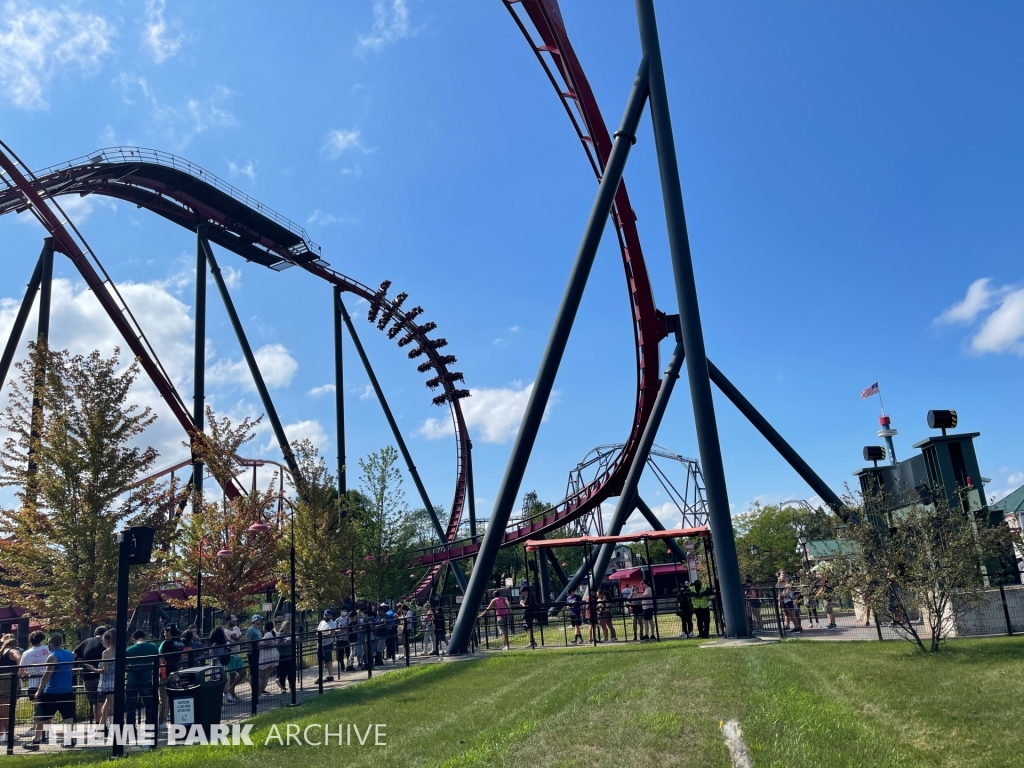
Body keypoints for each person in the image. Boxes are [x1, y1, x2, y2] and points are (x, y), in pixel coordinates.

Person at [28, 634, 75, 751]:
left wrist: (39, 691)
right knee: (68, 716)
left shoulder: (52, 656)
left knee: (41, 716)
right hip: (67, 690)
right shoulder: (69, 654)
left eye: (48, 643)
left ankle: (36, 741)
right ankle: (69, 739)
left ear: (51, 643)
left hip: (52, 691)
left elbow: (47, 675)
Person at [73, 625, 107, 726]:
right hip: (102, 675)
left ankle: (97, 723)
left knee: (94, 702)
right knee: (103, 700)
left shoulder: (85, 642)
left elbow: (73, 655)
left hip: (87, 675)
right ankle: (103, 724)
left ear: (94, 633)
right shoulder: (106, 642)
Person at [19, 631, 49, 743]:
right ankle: (47, 731)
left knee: (37, 709)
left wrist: (29, 672)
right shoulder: (48, 649)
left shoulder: (26, 653)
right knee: (48, 707)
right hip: (47, 682)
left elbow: (21, 671)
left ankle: (36, 730)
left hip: (33, 684)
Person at [125, 631, 158, 728]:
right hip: (147, 679)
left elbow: (124, 664)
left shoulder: (129, 650)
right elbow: (158, 662)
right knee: (149, 705)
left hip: (133, 680)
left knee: (131, 706)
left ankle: (131, 727)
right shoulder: (153, 647)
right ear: (144, 637)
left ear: (134, 639)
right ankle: (150, 726)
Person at [158, 623, 185, 723]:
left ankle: (162, 719)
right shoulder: (181, 643)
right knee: (173, 694)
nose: (164, 634)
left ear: (169, 632)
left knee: (163, 696)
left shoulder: (166, 643)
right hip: (176, 671)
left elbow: (160, 655)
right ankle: (173, 716)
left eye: (165, 632)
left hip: (165, 672)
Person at [0, 634, 22, 744]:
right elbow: (19, 657)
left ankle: (2, 734)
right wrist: (22, 670)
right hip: (8, 682)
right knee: (7, 709)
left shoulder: (1, 652)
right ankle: (9, 734)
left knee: (1, 709)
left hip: (1, 681)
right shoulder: (12, 651)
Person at [96, 629, 116, 727]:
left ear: (108, 640)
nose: (102, 642)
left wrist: (93, 669)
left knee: (114, 708)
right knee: (105, 708)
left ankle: (125, 732)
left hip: (108, 684)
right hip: (115, 682)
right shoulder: (119, 651)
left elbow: (105, 670)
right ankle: (100, 729)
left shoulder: (106, 653)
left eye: (103, 640)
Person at [258, 621, 279, 694]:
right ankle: (260, 692)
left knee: (260, 676)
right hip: (274, 654)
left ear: (266, 627)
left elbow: (267, 644)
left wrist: (258, 644)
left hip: (266, 655)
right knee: (266, 676)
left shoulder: (267, 635)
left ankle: (258, 693)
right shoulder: (275, 633)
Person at [316, 610, 336, 682]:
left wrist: (321, 634)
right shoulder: (322, 622)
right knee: (320, 660)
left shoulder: (332, 623)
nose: (326, 616)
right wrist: (323, 634)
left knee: (328, 660)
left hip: (328, 644)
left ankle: (330, 676)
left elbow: (330, 634)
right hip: (320, 643)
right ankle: (320, 676)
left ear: (331, 616)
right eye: (325, 615)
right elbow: (318, 632)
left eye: (328, 615)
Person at [276, 621, 294, 693]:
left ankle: (292, 686)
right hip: (282, 655)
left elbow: (298, 639)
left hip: (290, 654)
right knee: (283, 672)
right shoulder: (280, 635)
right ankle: (283, 687)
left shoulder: (292, 633)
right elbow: (278, 644)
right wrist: (284, 643)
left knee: (291, 672)